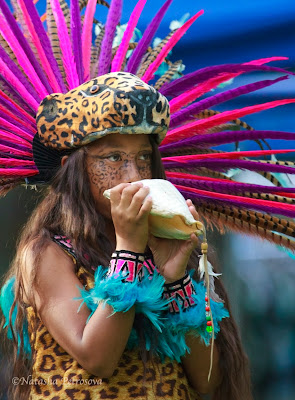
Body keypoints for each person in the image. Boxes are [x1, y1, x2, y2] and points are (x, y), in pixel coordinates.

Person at [0, 0, 294, 399]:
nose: (135, 176)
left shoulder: (163, 240)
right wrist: (131, 252)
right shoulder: (49, 253)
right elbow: (97, 357)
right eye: (114, 158)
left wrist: (175, 278)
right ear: (73, 167)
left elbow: (206, 379)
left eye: (142, 158)